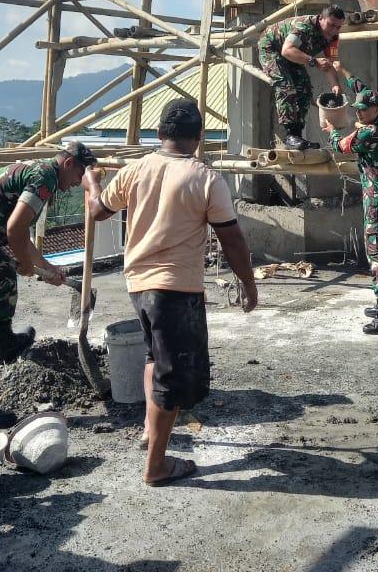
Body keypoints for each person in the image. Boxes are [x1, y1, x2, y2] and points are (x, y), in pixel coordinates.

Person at [90, 98, 257, 486]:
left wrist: (92, 182)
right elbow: (231, 239)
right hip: (175, 289)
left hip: (138, 285)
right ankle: (156, 466)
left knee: (154, 357)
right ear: (198, 137)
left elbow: (98, 210)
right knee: (172, 377)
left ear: (160, 134)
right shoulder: (205, 178)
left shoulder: (135, 170)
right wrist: (248, 284)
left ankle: (152, 430)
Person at [0, 141, 101, 427]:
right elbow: (15, 229)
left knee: (4, 276)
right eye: (78, 177)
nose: (76, 185)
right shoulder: (45, 177)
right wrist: (26, 264)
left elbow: (20, 234)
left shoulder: (42, 173)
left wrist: (47, 268)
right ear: (69, 163)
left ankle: (7, 341)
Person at [321, 65, 378, 334]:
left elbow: (341, 146)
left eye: (364, 110)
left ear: (377, 109)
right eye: (357, 109)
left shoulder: (370, 133)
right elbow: (362, 89)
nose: (359, 113)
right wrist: (342, 70)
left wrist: (331, 129)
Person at [256, 4, 346, 150]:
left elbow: (329, 63)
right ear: (321, 18)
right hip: (272, 48)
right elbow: (286, 50)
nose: (334, 30)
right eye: (331, 25)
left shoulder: (333, 37)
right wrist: (314, 61)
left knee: (304, 89)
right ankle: (289, 134)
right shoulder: (303, 27)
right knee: (286, 86)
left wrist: (335, 85)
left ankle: (297, 135)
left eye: (338, 27)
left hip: (293, 54)